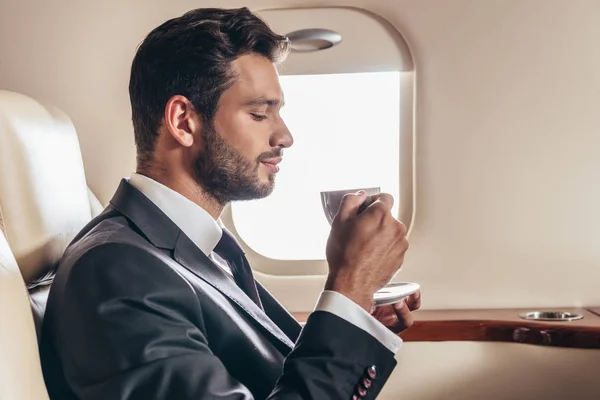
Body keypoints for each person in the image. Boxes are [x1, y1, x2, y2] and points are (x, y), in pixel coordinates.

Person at [40, 7, 420, 400]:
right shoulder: (116, 272)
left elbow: (273, 376)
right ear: (184, 121)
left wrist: (353, 314)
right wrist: (350, 285)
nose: (285, 136)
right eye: (259, 114)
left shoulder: (199, 247)